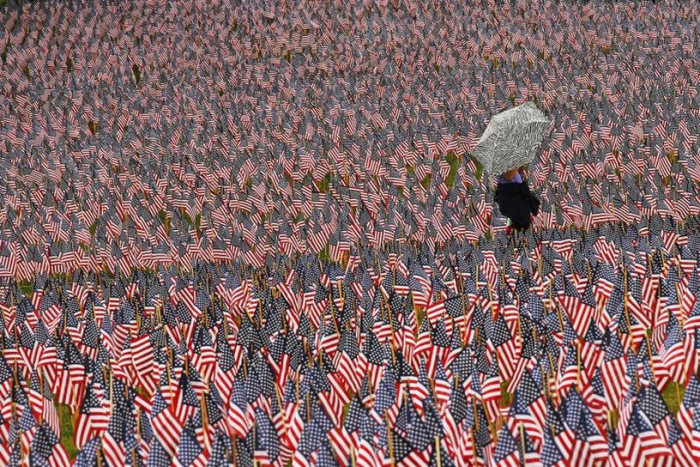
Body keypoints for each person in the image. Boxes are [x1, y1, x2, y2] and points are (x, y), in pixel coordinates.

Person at [494, 165, 540, 235]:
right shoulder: (504, 162)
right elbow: (509, 175)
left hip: (518, 204)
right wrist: (515, 162)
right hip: (513, 206)